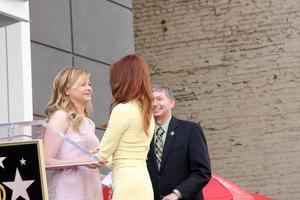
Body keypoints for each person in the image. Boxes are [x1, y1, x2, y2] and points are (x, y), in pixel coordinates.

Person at [95, 54, 155, 200]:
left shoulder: (123, 110)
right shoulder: (147, 112)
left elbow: (101, 156)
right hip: (144, 183)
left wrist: (74, 156)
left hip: (126, 184)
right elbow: (118, 158)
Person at [43, 67, 104, 200]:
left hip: (91, 191)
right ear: (66, 90)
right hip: (68, 192)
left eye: (89, 84)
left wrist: (105, 178)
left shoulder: (90, 123)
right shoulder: (61, 117)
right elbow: (45, 161)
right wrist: (80, 161)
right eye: (82, 84)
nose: (88, 88)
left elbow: (86, 166)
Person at [147, 84, 211, 200]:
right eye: (151, 100)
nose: (155, 104)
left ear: (172, 103)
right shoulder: (143, 135)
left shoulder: (191, 130)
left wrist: (177, 194)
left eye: (159, 99)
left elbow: (202, 172)